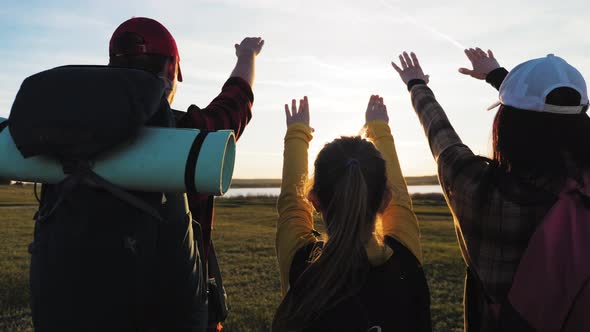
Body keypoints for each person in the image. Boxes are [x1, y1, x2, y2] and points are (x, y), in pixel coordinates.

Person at [30, 17, 263, 331]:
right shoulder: (185, 137)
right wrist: (247, 56)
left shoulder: (65, 134)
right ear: (171, 70)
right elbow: (234, 103)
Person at [391, 49, 590, 331]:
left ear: (507, 124)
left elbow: (441, 135)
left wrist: (416, 84)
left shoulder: (476, 189)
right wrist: (499, 77)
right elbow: (556, 114)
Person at [273, 95, 432, 331]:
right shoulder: (405, 257)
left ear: (315, 200)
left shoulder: (301, 264)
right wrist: (379, 129)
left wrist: (298, 132)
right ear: (384, 199)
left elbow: (292, 205)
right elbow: (400, 203)